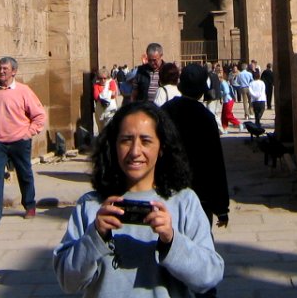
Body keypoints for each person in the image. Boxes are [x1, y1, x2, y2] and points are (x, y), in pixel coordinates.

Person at [53, 102, 224, 297]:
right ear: (113, 145)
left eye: (146, 141)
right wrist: (95, 237)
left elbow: (209, 276)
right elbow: (67, 281)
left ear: (161, 147)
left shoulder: (184, 202)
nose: (135, 151)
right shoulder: (91, 205)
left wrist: (171, 240)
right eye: (126, 140)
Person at [0, 56, 47, 233]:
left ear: (13, 71)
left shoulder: (23, 91)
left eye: (5, 69)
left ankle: (29, 204)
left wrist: (28, 133)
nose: (1, 71)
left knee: (24, 174)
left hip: (19, 141)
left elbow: (39, 115)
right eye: (0, 68)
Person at [163, 64, 230, 228]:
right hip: (200, 195)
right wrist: (221, 207)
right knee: (201, 245)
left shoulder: (165, 112)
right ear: (202, 91)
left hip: (169, 192)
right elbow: (215, 162)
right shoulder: (206, 118)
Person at [219, 67, 241, 132]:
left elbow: (226, 91)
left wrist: (220, 93)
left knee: (228, 115)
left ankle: (238, 123)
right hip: (226, 100)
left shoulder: (223, 83)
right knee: (223, 115)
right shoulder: (222, 83)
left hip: (228, 100)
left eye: (219, 77)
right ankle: (224, 127)